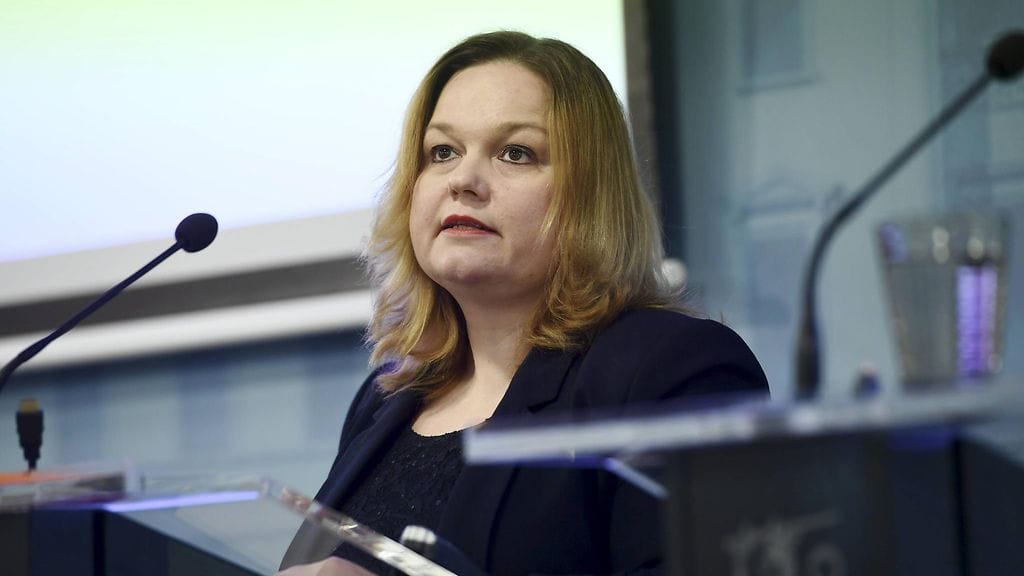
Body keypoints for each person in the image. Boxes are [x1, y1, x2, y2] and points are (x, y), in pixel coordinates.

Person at [279, 31, 769, 576]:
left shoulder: (668, 369)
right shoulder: (384, 397)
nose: (463, 180)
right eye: (442, 152)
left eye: (516, 153)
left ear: (590, 195)